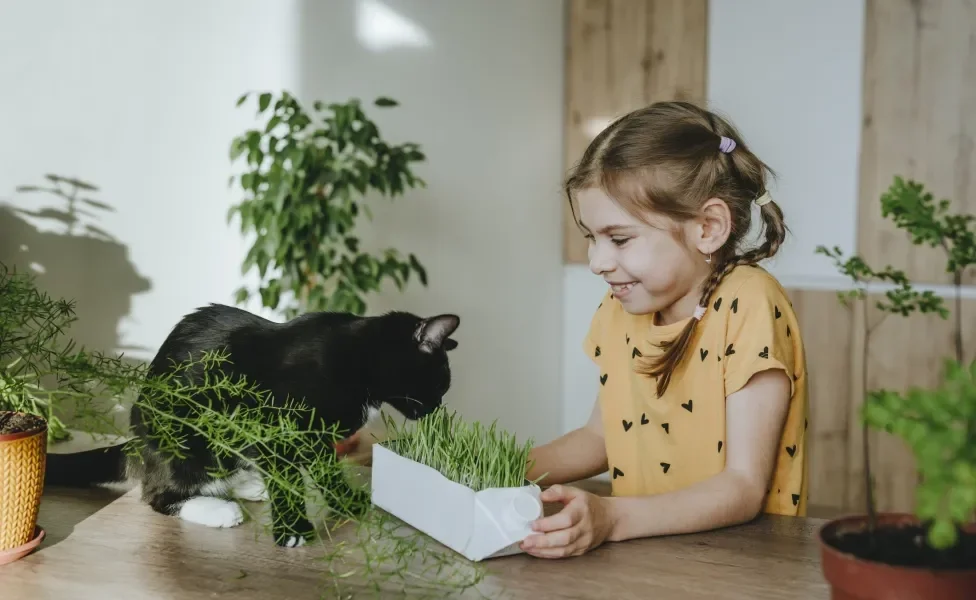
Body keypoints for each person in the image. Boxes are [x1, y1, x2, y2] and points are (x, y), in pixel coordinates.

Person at [520, 101, 809, 559]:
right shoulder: (620, 308)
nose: (597, 262)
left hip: (741, 568)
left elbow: (743, 486)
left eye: (619, 238)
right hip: (644, 557)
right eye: (590, 237)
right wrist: (493, 467)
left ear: (709, 228)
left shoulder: (748, 302)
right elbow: (600, 438)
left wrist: (612, 518)